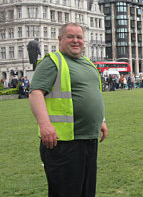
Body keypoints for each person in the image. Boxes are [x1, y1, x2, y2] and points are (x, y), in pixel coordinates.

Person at [29, 23, 108, 196]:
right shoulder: (52, 62)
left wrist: (101, 120)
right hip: (63, 142)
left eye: (79, 37)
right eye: (70, 37)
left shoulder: (88, 63)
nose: (76, 41)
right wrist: (45, 125)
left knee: (86, 191)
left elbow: (94, 93)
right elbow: (35, 93)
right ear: (60, 39)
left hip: (89, 140)